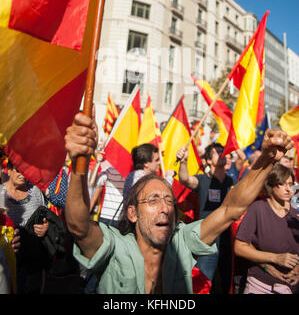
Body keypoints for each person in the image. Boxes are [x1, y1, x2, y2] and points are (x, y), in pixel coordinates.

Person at [64, 111, 293, 294]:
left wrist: (267, 159)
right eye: (153, 199)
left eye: (168, 200)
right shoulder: (115, 247)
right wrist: (78, 162)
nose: (165, 207)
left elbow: (231, 209)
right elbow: (79, 225)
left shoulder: (182, 241)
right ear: (132, 213)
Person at [177, 142, 234, 293]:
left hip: (228, 242)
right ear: (209, 160)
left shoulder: (232, 182)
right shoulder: (203, 180)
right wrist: (183, 161)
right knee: (203, 284)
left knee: (225, 285)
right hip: (207, 243)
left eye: (225, 152)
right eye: (218, 152)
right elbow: (185, 179)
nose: (224, 155)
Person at [234, 163, 299, 294]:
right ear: (271, 185)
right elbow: (240, 247)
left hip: (290, 287)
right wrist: (273, 258)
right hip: (259, 284)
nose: (288, 189)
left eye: (291, 184)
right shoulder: (258, 208)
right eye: (282, 184)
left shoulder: (296, 213)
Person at [0, 160, 49, 293]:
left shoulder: (36, 191)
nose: (23, 174)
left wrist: (44, 228)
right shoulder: (0, 193)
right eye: (18, 170)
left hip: (33, 257)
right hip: (9, 258)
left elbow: (45, 218)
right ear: (8, 170)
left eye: (26, 170)